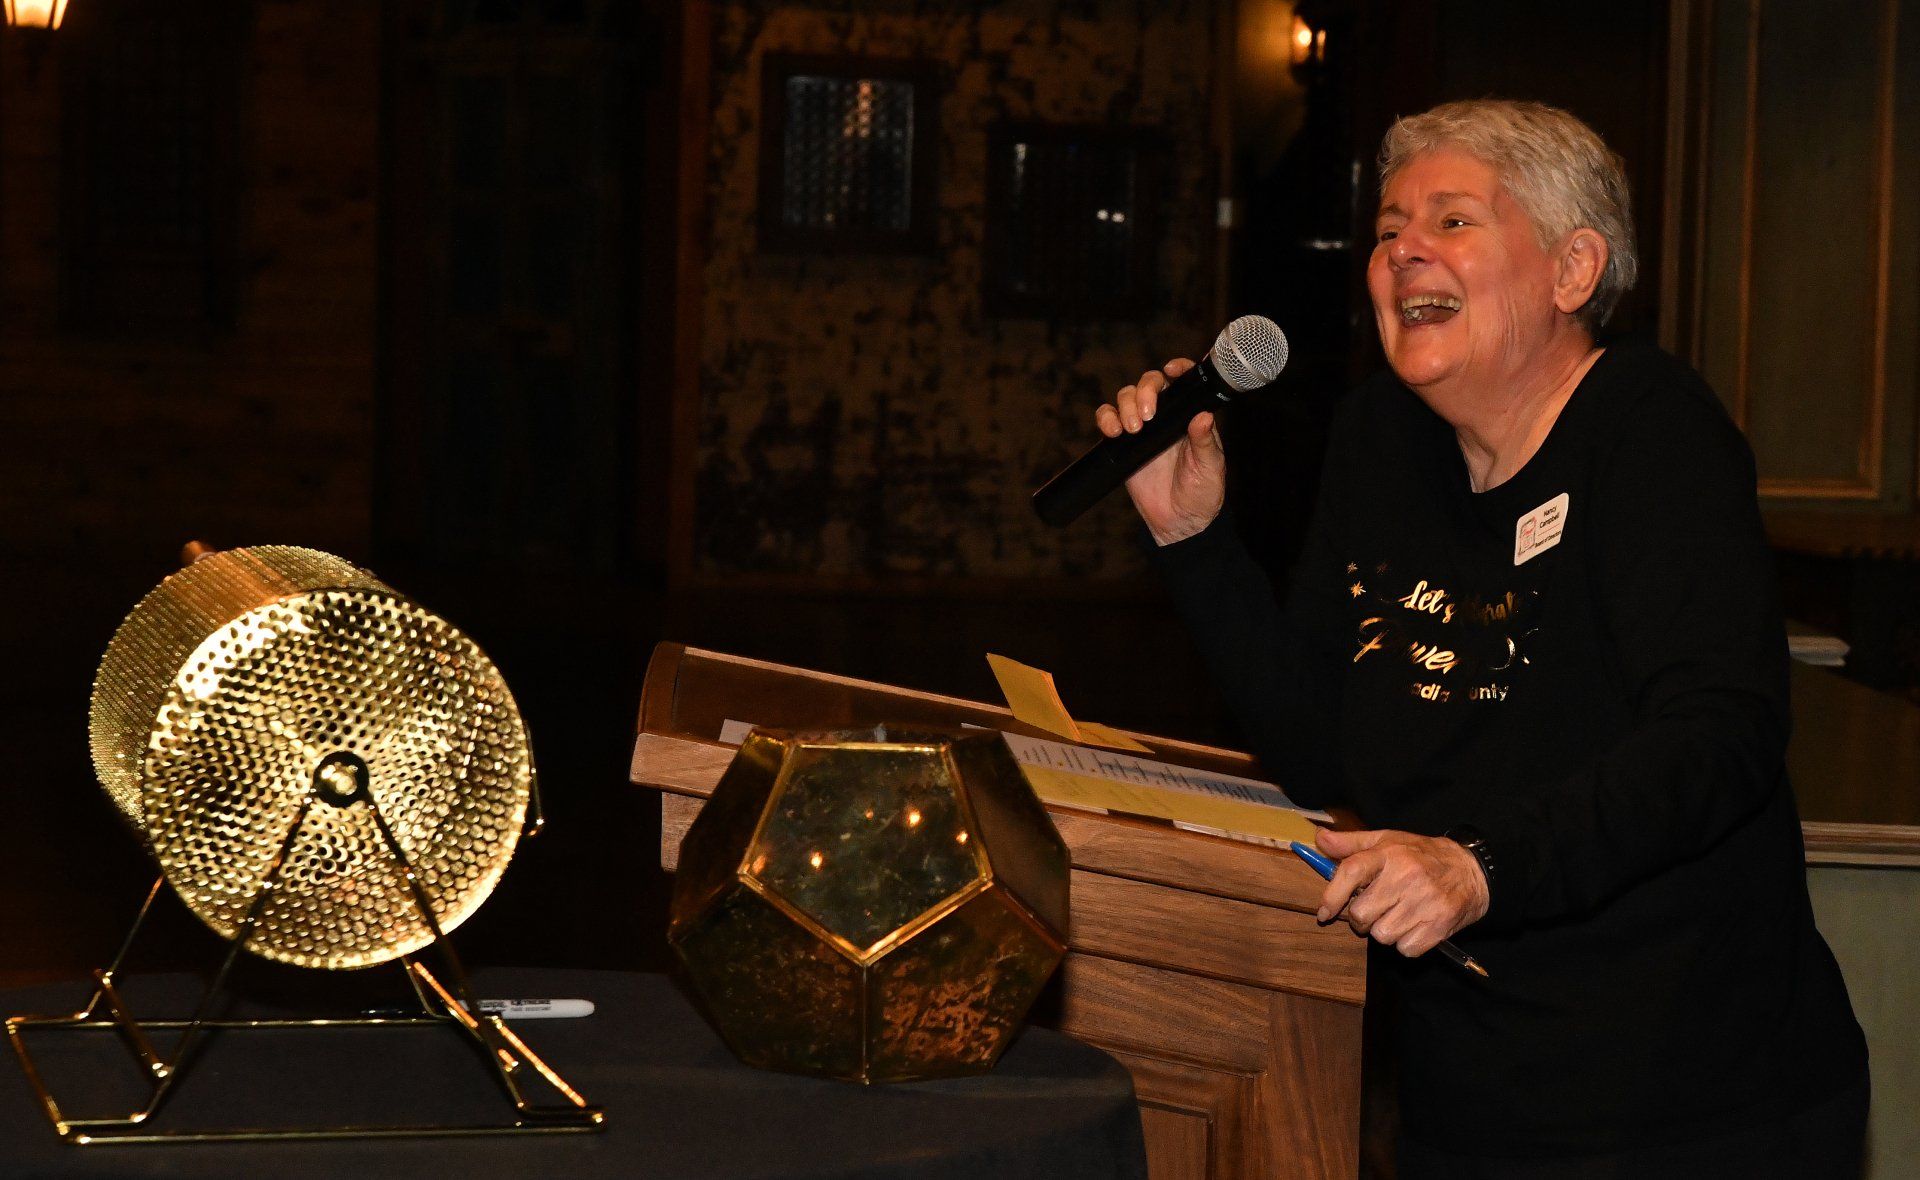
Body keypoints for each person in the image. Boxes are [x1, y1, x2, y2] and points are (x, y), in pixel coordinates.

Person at [1097, 100, 1868, 1177]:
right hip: (1468, 1102)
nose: (1403, 246)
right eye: (1388, 227)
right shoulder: (1377, 441)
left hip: (1690, 1108)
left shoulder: (1649, 429)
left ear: (1572, 269)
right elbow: (1329, 751)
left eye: (1453, 220)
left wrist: (1481, 867)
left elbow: (1719, 734)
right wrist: (1194, 543)